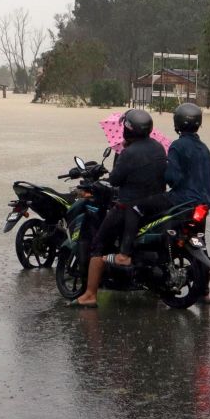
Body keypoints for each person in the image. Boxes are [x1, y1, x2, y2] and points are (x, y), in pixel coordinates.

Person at [73, 108, 166, 308]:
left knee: (98, 245)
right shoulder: (159, 148)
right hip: (155, 206)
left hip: (127, 206)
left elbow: (114, 179)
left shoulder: (128, 153)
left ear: (128, 129)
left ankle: (90, 295)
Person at [162, 103, 210, 303]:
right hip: (203, 204)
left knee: (156, 223)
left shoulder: (177, 146)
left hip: (182, 202)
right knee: (200, 241)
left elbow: (172, 178)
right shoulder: (205, 149)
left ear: (177, 123)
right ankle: (205, 290)